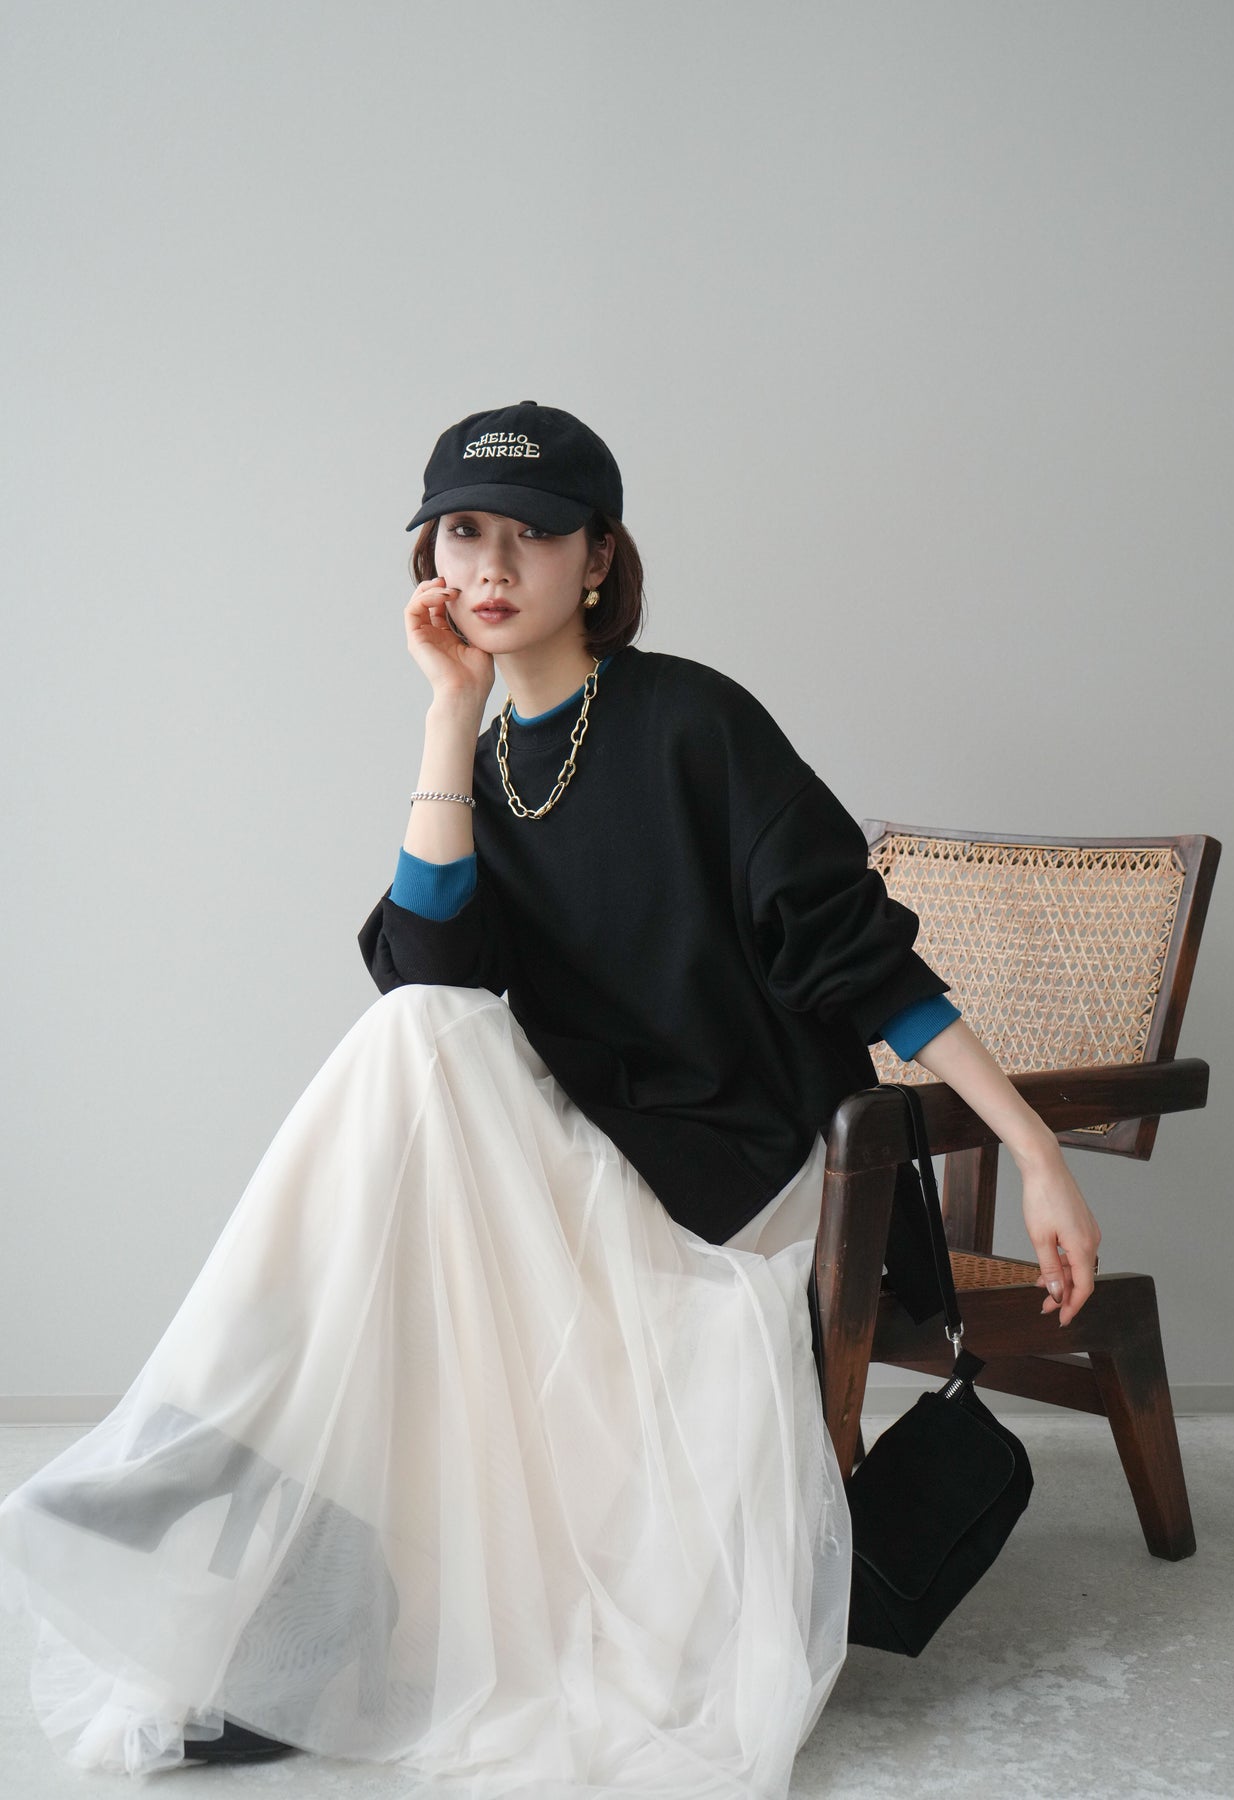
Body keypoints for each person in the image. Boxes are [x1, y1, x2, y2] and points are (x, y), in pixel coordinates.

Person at [0, 401, 1102, 1790]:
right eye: (465, 531)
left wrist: (1032, 1148)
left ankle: (228, 1471)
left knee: (414, 1062)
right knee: (415, 1035)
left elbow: (857, 958)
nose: (493, 564)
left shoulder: (694, 719)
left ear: (598, 559)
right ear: (429, 557)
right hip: (592, 1156)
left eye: (533, 534)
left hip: (744, 1166)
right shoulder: (481, 754)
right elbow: (427, 972)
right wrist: (446, 716)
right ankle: (283, 1544)